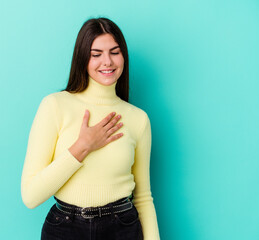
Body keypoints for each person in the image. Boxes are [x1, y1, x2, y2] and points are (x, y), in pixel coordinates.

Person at [21, 17, 160, 240]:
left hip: (122, 228)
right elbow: (31, 196)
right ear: (83, 58)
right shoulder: (55, 105)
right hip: (64, 228)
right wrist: (83, 146)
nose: (107, 61)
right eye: (96, 54)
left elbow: (143, 196)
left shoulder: (138, 119)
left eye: (115, 52)